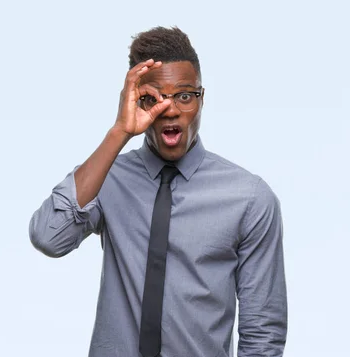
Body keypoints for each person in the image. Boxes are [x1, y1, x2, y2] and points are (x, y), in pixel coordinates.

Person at [28, 27, 287, 357]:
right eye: (152, 98)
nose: (170, 110)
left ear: (202, 98)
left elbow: (262, 330)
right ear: (134, 101)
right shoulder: (106, 178)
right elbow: (49, 236)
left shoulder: (249, 198)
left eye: (184, 95)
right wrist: (119, 132)